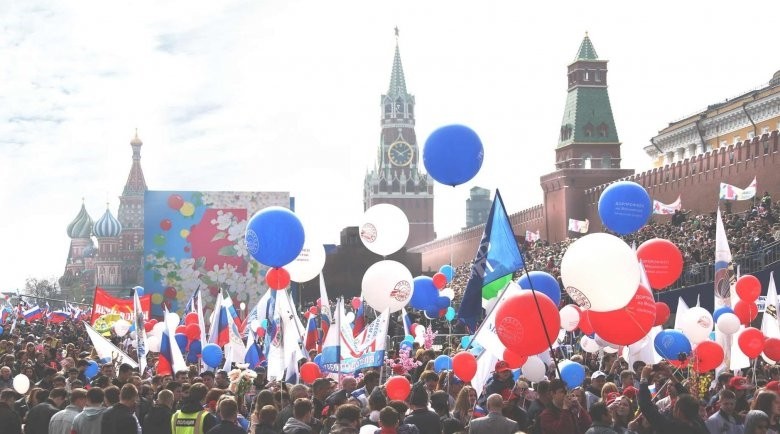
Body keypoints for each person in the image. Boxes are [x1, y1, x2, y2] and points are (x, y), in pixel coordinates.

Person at [637, 364, 707, 434]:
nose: (672, 407)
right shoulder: (698, 422)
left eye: (675, 405)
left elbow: (646, 406)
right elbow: (687, 398)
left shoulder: (673, 429)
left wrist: (643, 378)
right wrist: (670, 375)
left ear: (679, 412)